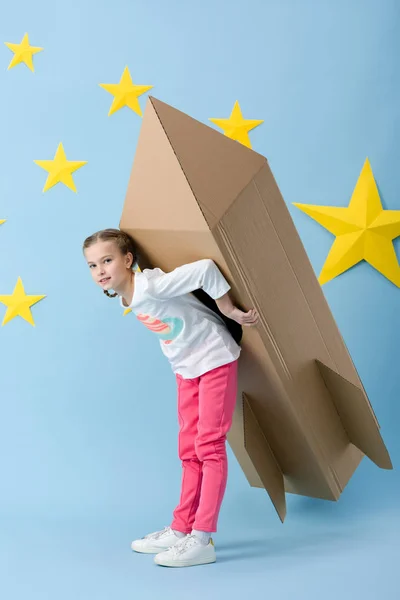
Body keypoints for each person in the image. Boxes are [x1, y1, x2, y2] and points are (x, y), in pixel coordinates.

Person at [83, 228, 259, 568]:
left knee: (208, 446)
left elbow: (207, 269)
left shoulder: (151, 285)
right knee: (187, 449)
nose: (100, 270)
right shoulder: (128, 296)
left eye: (107, 260)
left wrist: (230, 309)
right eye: (92, 266)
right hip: (186, 367)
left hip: (213, 358)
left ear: (128, 260)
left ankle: (203, 537)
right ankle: (181, 529)